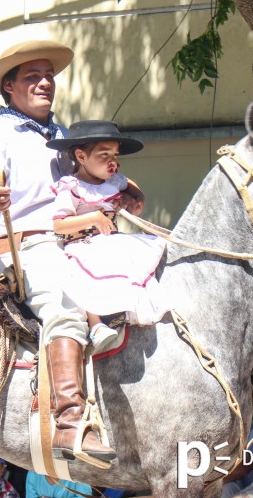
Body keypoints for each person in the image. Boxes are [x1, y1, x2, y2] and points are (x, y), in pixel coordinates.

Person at [0, 40, 143, 461]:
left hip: (81, 240)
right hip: (27, 247)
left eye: (49, 77)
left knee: (144, 281)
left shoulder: (65, 136)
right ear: (9, 87)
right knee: (67, 303)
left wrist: (121, 187)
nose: (44, 83)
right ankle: (70, 422)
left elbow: (90, 176)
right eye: (31, 77)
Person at [46, 120, 166, 350]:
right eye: (104, 155)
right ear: (81, 156)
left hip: (111, 242)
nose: (114, 161)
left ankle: (133, 310)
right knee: (87, 273)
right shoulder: (71, 186)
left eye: (115, 154)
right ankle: (95, 323)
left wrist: (135, 200)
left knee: (145, 253)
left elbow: (131, 191)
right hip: (83, 244)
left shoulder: (114, 182)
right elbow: (59, 224)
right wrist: (94, 218)